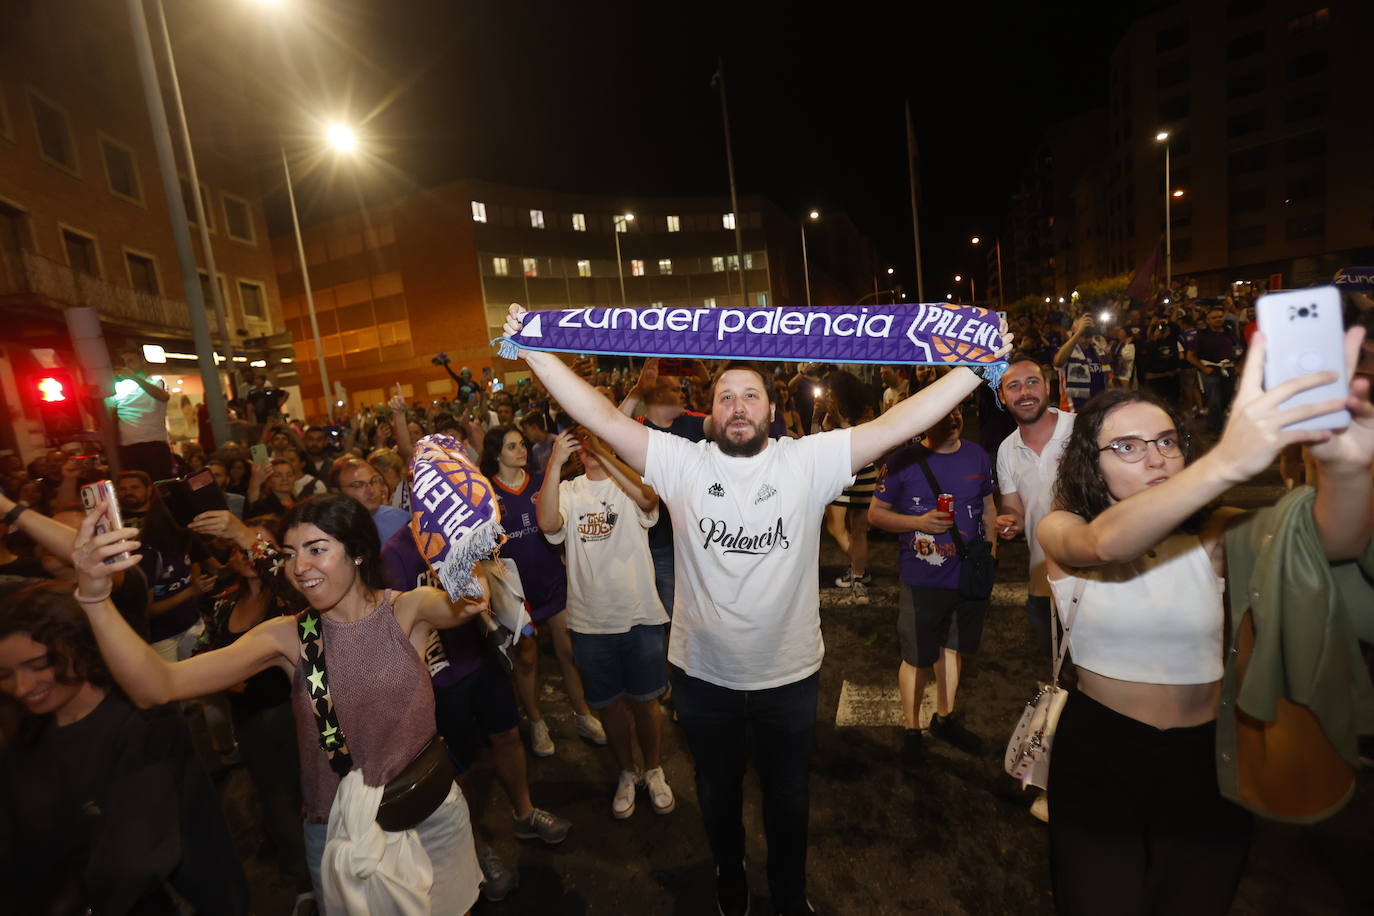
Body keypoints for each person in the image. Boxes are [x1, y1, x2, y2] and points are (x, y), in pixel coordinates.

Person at [500, 302, 1012, 916]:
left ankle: (790, 897)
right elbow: (602, 416)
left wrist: (975, 365)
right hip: (703, 678)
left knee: (788, 799)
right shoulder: (681, 463)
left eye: (750, 396)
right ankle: (730, 881)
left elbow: (897, 424)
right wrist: (532, 348)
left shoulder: (807, 461)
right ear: (710, 414)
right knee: (716, 797)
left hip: (788, 678)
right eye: (725, 397)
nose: (738, 406)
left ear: (772, 411)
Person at [1036, 331, 1370, 915]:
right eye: (1129, 447)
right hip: (1100, 750)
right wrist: (1227, 462)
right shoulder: (1063, 527)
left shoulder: (1216, 534)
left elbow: (1331, 544)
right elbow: (1104, 542)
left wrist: (1348, 471)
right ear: (1091, 464)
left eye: (1167, 440)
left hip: (1208, 756)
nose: (1157, 457)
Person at [68, 496, 485, 913]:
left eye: (316, 549)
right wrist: (95, 601)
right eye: (290, 553)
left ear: (358, 552)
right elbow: (157, 685)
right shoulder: (286, 637)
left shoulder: (405, 610)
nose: (299, 567)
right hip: (339, 833)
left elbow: (465, 604)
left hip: (428, 810)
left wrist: (470, 550)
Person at [0, 578, 248, 914]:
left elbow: (143, 863)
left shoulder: (144, 727)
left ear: (79, 646)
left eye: (39, 666)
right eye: (4, 674)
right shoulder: (20, 735)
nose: (22, 686)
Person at [537, 429, 674, 819]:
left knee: (647, 702)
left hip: (639, 613)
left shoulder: (629, 485)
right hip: (590, 621)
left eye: (599, 439)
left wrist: (607, 455)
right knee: (609, 707)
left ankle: (654, 769)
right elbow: (547, 524)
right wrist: (554, 463)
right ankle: (627, 773)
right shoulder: (569, 489)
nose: (591, 447)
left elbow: (649, 498)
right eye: (586, 442)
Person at [192, 512, 312, 906]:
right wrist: (225, 673)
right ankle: (304, 883)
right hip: (250, 720)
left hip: (297, 714)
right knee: (275, 801)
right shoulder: (224, 602)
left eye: (254, 547)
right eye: (239, 548)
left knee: (315, 799)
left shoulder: (291, 595)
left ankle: (334, 872)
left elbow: (285, 576)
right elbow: (206, 648)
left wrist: (244, 534)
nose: (245, 553)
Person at [869, 406, 996, 760]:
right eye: (942, 415)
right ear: (924, 421)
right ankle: (912, 729)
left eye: (955, 412)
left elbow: (987, 507)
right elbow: (875, 514)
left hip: (967, 576)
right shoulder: (902, 461)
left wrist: (991, 555)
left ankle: (944, 716)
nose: (952, 419)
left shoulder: (976, 455)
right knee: (916, 657)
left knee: (952, 649)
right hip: (922, 578)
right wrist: (919, 522)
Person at [477, 426, 605, 757]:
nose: (522, 450)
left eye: (522, 444)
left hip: (552, 580)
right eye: (512, 446)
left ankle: (583, 714)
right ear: (496, 455)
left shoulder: (539, 482)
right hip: (515, 591)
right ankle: (536, 722)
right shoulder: (487, 493)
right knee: (529, 658)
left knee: (569, 652)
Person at [992, 356, 1075, 823]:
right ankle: (1055, 782)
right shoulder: (1006, 450)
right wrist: (1006, 522)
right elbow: (1012, 506)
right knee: (1058, 684)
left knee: (1100, 682)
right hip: (1042, 583)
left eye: (1031, 383)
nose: (1023, 392)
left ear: (1048, 385)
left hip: (1097, 581)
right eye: (1012, 387)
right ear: (1002, 398)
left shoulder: (1082, 430)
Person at [106, 349, 173, 479]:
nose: (127, 365)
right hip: (127, 447)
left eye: (131, 360)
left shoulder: (156, 382)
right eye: (124, 362)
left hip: (154, 445)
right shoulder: (117, 388)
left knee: (159, 485)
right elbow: (108, 414)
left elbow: (163, 396)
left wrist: (134, 378)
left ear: (142, 361)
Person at [1186, 307, 1246, 436]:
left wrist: (1238, 366)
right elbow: (1190, 356)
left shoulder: (1229, 332)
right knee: (1214, 400)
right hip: (1211, 370)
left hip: (1229, 370)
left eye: (1220, 317)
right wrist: (1204, 368)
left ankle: (1217, 424)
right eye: (1214, 318)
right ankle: (1216, 429)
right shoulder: (1201, 335)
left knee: (1227, 397)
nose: (1218, 320)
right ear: (1208, 320)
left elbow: (1239, 350)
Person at [333, 458, 409, 547]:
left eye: (374, 480)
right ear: (336, 492)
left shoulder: (401, 520)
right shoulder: (327, 529)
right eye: (358, 485)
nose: (371, 490)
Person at [1053, 314, 1113, 411]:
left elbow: (1108, 378)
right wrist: (1078, 331)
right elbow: (1058, 362)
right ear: (1073, 330)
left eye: (1089, 335)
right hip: (1073, 411)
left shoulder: (1098, 351)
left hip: (1096, 410)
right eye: (1082, 335)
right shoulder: (1067, 351)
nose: (1086, 339)